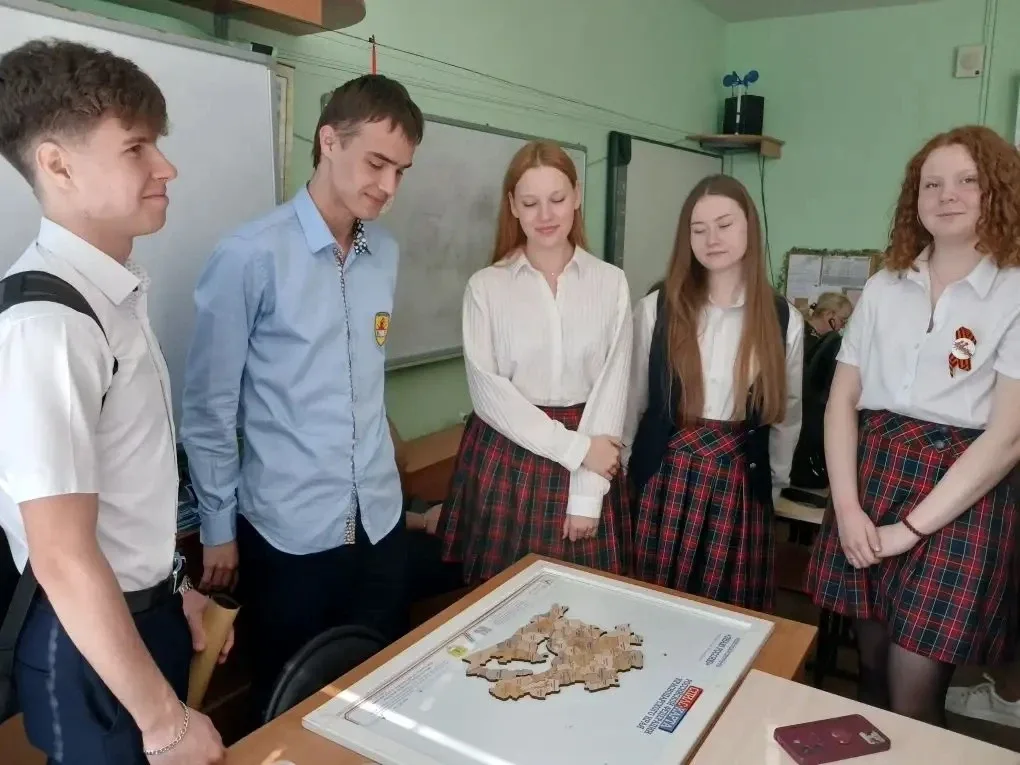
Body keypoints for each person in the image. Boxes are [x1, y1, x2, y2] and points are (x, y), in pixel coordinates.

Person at [0, 40, 229, 764]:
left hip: (138, 614)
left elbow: (127, 493)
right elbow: (62, 555)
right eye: (136, 148)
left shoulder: (113, 295)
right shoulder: (50, 324)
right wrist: (165, 723)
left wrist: (172, 585)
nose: (167, 167)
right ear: (57, 165)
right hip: (87, 643)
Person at [180, 74, 423, 716]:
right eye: (376, 163)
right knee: (290, 710)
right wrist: (217, 526)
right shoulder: (249, 255)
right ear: (329, 141)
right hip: (290, 536)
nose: (388, 186)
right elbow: (208, 409)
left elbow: (362, 379)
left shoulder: (385, 252)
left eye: (401, 171)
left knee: (382, 698)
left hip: (379, 523)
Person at [806, 125, 1020, 727]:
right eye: (932, 184)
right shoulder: (883, 286)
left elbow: (1007, 437)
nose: (947, 195)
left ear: (996, 191)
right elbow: (842, 402)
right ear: (915, 198)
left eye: (967, 181)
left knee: (914, 696)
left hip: (960, 493)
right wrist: (848, 509)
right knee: (872, 673)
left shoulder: (1012, 290)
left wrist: (910, 529)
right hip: (872, 478)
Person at [436, 140, 633, 583]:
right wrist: (577, 451)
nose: (545, 215)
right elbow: (490, 396)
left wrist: (586, 495)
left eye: (557, 199)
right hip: (510, 453)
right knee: (500, 599)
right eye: (530, 203)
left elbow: (613, 389)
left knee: (586, 604)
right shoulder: (486, 287)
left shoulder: (610, 283)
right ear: (513, 206)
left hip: (590, 451)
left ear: (577, 196)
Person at [624, 174, 803, 611]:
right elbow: (631, 401)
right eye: (699, 229)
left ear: (749, 228)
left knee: (729, 617)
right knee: (651, 614)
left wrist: (772, 486)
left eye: (724, 224)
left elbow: (786, 415)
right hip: (665, 477)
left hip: (740, 482)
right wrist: (630, 473)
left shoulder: (783, 319)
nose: (712, 239)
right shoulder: (656, 309)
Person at [802, 292, 852, 363]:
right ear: (828, 314)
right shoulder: (804, 338)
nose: (843, 326)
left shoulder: (817, 337)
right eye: (842, 320)